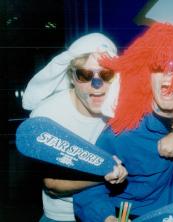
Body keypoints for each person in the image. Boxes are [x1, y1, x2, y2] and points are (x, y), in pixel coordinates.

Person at [72, 22, 173, 222]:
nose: (170, 75)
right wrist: (106, 218)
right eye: (159, 67)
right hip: (126, 214)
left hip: (171, 213)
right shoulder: (122, 131)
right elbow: (88, 189)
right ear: (146, 75)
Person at [22, 33, 128, 222]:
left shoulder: (121, 107)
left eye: (106, 74)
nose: (97, 85)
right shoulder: (48, 116)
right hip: (63, 215)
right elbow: (53, 184)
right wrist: (105, 175)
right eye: (85, 75)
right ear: (72, 77)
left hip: (107, 211)